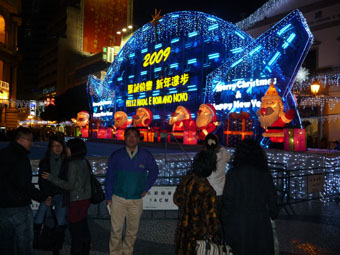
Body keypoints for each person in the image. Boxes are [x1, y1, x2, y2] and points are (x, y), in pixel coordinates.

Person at [104, 127, 159, 255]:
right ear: (124, 138)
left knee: (132, 231)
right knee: (116, 230)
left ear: (139, 139)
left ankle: (128, 252)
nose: (132, 138)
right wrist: (108, 197)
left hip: (136, 199)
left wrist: (146, 188)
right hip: (118, 198)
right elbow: (109, 177)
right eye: (129, 135)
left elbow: (154, 171)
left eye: (135, 136)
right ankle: (115, 252)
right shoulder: (117, 155)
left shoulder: (145, 155)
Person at [221, 139, 278, 255]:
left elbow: (228, 200)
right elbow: (272, 199)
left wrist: (224, 219)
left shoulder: (233, 174)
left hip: (238, 222)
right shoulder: (264, 174)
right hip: (260, 222)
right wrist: (273, 213)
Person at [0, 127, 50, 255]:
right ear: (21, 140)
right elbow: (23, 183)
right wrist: (41, 196)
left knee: (6, 242)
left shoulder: (3, 154)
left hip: (3, 205)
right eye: (30, 140)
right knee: (24, 243)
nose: (31, 143)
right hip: (19, 205)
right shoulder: (21, 158)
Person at [41, 138, 92, 255]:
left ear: (73, 149)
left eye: (68, 147)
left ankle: (76, 251)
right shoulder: (83, 161)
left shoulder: (73, 164)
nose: (66, 149)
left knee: (75, 229)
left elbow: (69, 185)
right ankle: (85, 249)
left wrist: (51, 178)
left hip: (76, 200)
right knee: (83, 226)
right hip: (85, 199)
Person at [173, 150, 220, 255]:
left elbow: (177, 199)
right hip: (198, 235)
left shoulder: (187, 180)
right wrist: (215, 234)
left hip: (183, 232)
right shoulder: (207, 190)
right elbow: (211, 218)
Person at [34, 135, 68, 254]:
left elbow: (67, 181)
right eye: (54, 146)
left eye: (59, 145)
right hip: (48, 193)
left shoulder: (67, 162)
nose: (57, 148)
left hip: (61, 194)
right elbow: (42, 180)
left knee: (60, 219)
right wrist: (47, 196)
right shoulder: (45, 161)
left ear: (63, 146)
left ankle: (56, 246)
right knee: (40, 215)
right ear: (50, 148)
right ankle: (37, 240)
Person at [203, 133, 231, 217]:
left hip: (207, 190)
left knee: (208, 215)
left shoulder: (205, 155)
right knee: (219, 215)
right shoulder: (223, 152)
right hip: (221, 190)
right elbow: (229, 158)